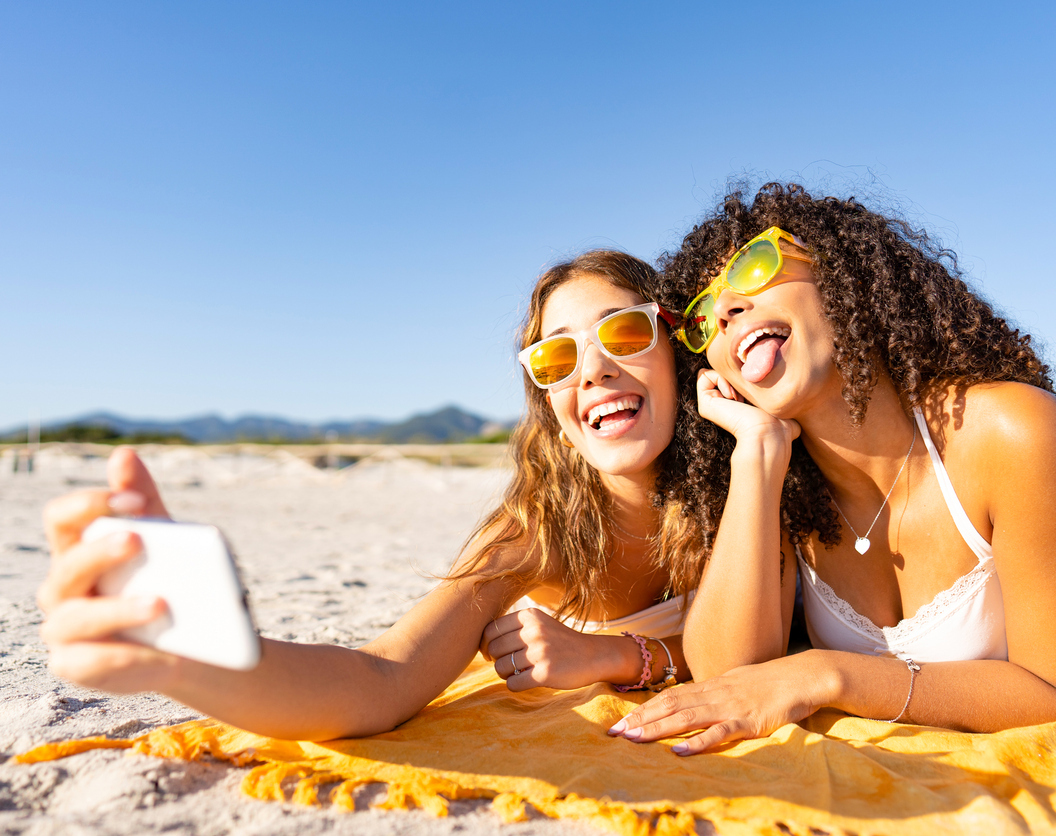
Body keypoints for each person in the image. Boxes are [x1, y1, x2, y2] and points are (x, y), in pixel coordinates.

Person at [37, 250, 711, 741]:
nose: (591, 369)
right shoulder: (539, 531)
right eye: (556, 360)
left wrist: (623, 655)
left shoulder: (747, 484)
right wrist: (190, 654)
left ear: (675, 349)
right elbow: (383, 676)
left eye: (625, 331)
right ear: (551, 404)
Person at [609, 183, 1056, 754]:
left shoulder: (1008, 430)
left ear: (843, 273)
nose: (724, 309)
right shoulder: (786, 481)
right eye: (701, 316)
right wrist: (758, 454)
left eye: (756, 266)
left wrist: (826, 674)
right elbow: (726, 673)